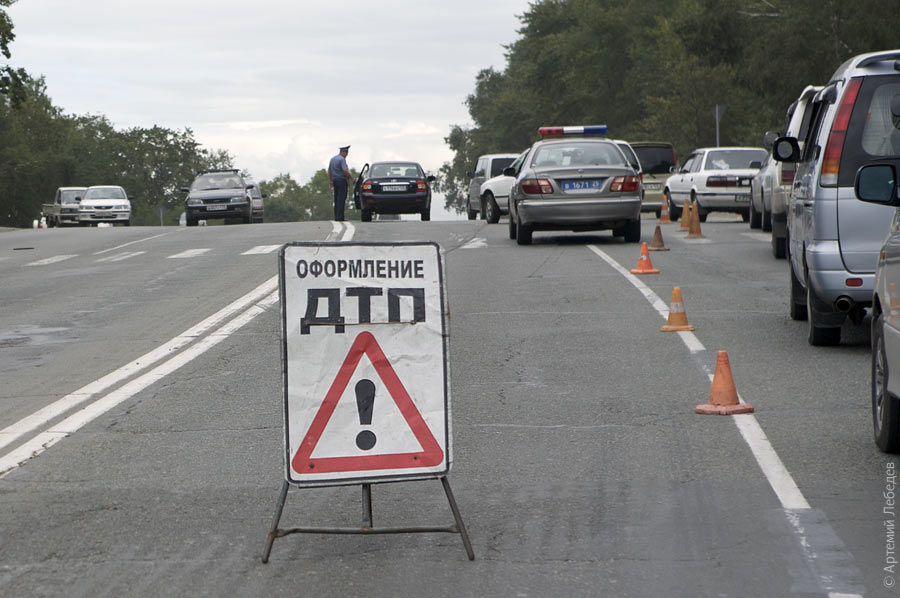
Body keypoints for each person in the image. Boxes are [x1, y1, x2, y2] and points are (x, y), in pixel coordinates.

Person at [328, 145, 354, 221]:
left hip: (335, 180)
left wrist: (331, 181)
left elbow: (329, 171)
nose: (347, 154)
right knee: (341, 199)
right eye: (346, 152)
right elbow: (345, 170)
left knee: (336, 199)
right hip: (341, 180)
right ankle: (340, 217)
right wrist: (351, 178)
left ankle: (336, 216)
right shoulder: (342, 159)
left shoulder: (333, 159)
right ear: (343, 152)